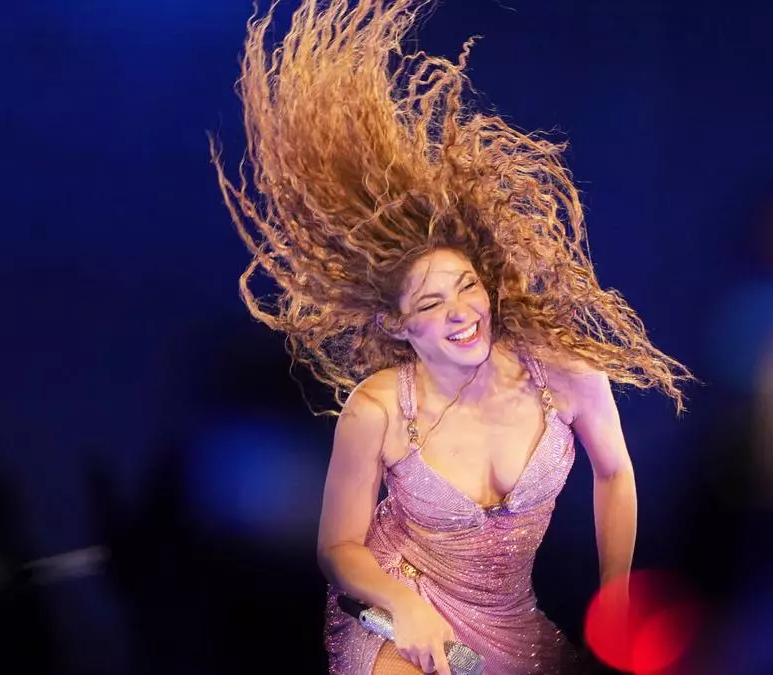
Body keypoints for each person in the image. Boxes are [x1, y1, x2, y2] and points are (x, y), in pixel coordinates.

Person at [209, 1, 690, 673]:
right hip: (397, 607)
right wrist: (400, 604)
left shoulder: (565, 373)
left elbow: (615, 471)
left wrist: (615, 599)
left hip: (510, 621)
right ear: (398, 324)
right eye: (433, 302)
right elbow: (337, 549)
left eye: (468, 287)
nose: (462, 311)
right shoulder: (379, 407)